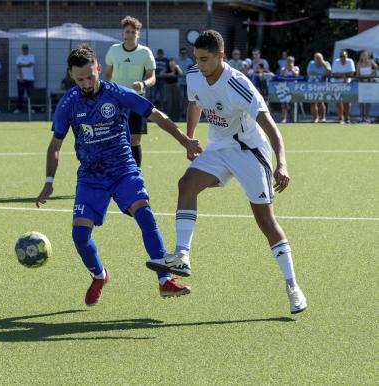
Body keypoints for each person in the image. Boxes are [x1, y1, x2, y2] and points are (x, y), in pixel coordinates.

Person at [145, 30, 307, 315]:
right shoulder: (195, 74)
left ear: (221, 56)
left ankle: (292, 286)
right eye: (196, 58)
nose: (199, 64)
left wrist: (281, 163)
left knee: (266, 221)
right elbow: (194, 103)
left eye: (205, 59)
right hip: (219, 148)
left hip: (250, 152)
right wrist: (190, 139)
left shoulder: (239, 84)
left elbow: (270, 126)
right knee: (186, 184)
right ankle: (182, 255)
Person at [35, 44, 202, 306]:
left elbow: (155, 115)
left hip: (123, 168)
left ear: (99, 69)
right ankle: (99, 275)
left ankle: (165, 281)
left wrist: (185, 141)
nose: (87, 83)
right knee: (80, 237)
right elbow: (55, 145)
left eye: (91, 76)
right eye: (80, 79)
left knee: (145, 215)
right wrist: (48, 182)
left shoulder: (117, 93)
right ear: (72, 76)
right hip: (91, 176)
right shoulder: (68, 103)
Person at [105, 16, 156, 167]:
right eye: (127, 32)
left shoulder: (145, 52)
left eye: (133, 32)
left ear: (137, 34)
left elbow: (152, 77)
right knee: (114, 138)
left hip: (136, 101)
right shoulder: (113, 50)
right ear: (123, 33)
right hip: (116, 101)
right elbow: (108, 74)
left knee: (135, 139)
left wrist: (143, 84)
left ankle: (135, 176)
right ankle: (114, 174)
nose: (130, 35)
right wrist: (105, 92)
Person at [332, 50, 356, 124]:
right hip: (336, 84)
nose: (342, 58)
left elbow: (352, 73)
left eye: (344, 56)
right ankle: (340, 117)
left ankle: (347, 117)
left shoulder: (350, 61)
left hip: (347, 84)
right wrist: (344, 76)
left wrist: (341, 75)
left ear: (347, 56)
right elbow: (334, 74)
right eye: (341, 56)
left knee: (347, 101)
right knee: (338, 101)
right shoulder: (336, 61)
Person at [306, 52, 331, 123]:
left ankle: (323, 117)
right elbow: (309, 72)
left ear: (322, 58)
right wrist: (320, 75)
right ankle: (315, 117)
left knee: (321, 101)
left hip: (322, 85)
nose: (318, 60)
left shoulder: (326, 64)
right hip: (312, 85)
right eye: (316, 58)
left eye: (319, 58)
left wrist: (324, 66)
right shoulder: (311, 63)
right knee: (313, 102)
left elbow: (329, 73)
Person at [356, 50, 378, 123]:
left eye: (365, 55)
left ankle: (367, 117)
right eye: (363, 55)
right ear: (361, 56)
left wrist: (372, 74)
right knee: (361, 101)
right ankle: (361, 117)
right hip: (361, 84)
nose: (364, 56)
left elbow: (377, 68)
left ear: (368, 56)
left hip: (369, 83)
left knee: (368, 101)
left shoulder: (371, 62)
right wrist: (361, 78)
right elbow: (357, 75)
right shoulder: (358, 64)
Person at [15, 44, 35, 113]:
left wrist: (22, 65)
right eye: (23, 49)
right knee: (20, 94)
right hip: (21, 79)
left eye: (26, 49)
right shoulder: (19, 57)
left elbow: (31, 64)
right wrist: (21, 77)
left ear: (27, 49)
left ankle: (31, 108)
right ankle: (19, 108)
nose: (25, 50)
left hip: (30, 78)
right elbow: (18, 67)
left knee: (30, 94)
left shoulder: (31, 56)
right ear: (22, 50)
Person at [279, 56, 299, 123]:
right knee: (284, 104)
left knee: (293, 104)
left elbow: (296, 75)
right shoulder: (283, 68)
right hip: (285, 88)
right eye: (288, 61)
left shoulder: (296, 68)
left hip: (294, 89)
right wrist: (286, 68)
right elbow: (282, 75)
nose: (289, 63)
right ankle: (284, 118)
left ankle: (293, 118)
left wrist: (292, 69)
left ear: (293, 62)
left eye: (291, 61)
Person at [177, 47, 194, 119]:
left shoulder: (189, 60)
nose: (183, 54)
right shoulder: (177, 60)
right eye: (182, 53)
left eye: (185, 53)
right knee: (181, 97)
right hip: (180, 82)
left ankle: (185, 113)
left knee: (187, 98)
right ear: (180, 53)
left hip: (188, 83)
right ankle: (180, 112)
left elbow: (192, 70)